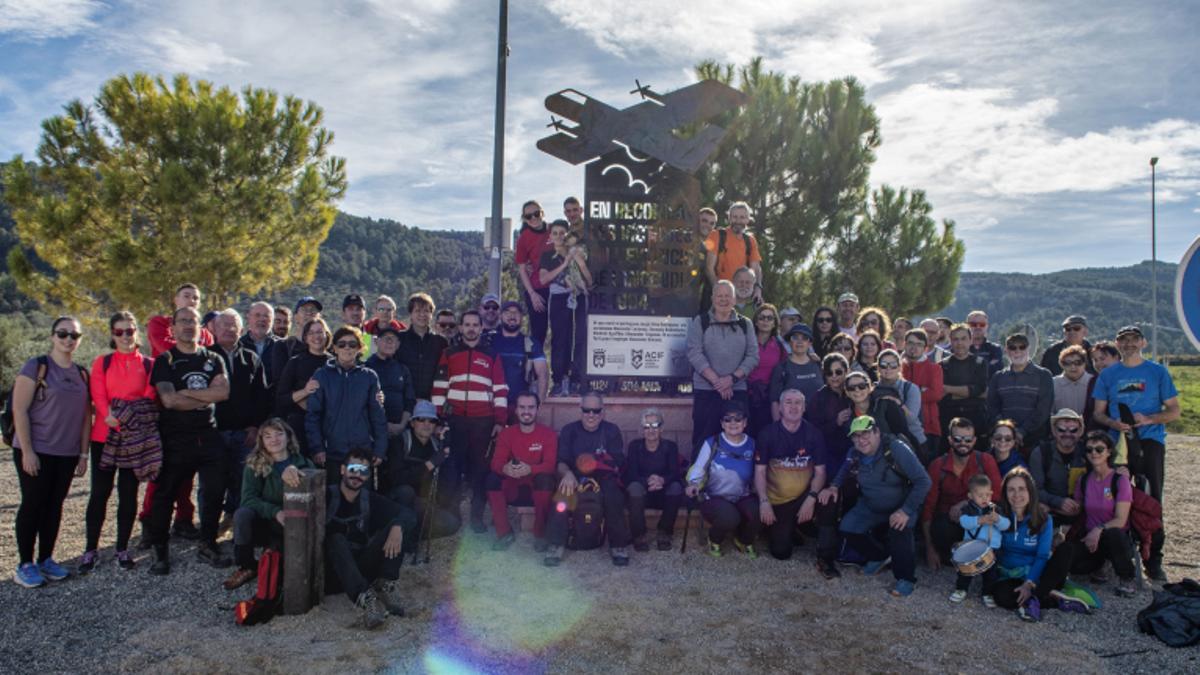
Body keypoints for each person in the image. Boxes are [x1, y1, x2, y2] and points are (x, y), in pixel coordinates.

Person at [148, 307, 231, 575]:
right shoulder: (165, 361)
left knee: (215, 491)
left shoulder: (214, 358)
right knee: (165, 494)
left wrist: (188, 393)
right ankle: (160, 549)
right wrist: (206, 394)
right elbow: (169, 401)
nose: (188, 326)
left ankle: (208, 543)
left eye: (193, 321)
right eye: (182, 321)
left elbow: (224, 393)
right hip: (175, 437)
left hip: (208, 434)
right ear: (172, 327)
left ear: (200, 327)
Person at [10, 317, 91, 588]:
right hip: (37, 449)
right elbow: (19, 410)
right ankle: (25, 564)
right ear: (52, 336)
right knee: (33, 504)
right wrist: (28, 451)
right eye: (63, 334)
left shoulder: (81, 373)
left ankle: (46, 558)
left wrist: (83, 454)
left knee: (55, 506)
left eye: (74, 335)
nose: (68, 339)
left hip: (66, 454)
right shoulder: (37, 366)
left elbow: (84, 417)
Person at [821, 416, 931, 597]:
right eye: (855, 436)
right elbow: (844, 470)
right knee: (848, 527)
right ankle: (879, 556)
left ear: (877, 432)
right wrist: (833, 487)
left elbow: (923, 481)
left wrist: (906, 510)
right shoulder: (854, 453)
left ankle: (906, 579)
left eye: (865, 433)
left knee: (900, 528)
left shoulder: (895, 449)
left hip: (903, 505)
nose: (861, 439)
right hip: (872, 505)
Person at [81, 312, 158, 573]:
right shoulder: (102, 363)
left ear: (136, 332)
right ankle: (90, 548)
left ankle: (122, 548)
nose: (125, 336)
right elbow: (97, 394)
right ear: (112, 335)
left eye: (130, 330)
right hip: (104, 436)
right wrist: (108, 415)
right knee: (100, 493)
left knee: (128, 495)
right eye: (119, 331)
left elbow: (149, 394)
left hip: (134, 437)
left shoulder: (148, 364)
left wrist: (125, 414)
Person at [432, 310, 508, 532]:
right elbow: (439, 387)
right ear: (461, 328)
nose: (471, 328)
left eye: (476, 324)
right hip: (455, 421)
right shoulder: (449, 353)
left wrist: (500, 421)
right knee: (453, 470)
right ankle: (453, 516)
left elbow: (500, 390)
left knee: (480, 471)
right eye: (467, 324)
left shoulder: (492, 355)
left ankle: (476, 517)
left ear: (481, 328)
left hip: (483, 422)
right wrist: (438, 418)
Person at [325, 448, 416, 629]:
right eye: (353, 469)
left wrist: (397, 527)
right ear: (342, 470)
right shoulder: (325, 495)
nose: (357, 475)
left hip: (362, 564)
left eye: (363, 471)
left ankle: (385, 584)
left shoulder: (369, 499)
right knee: (335, 539)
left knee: (399, 525)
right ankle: (367, 600)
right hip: (331, 571)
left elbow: (408, 514)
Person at [1092, 325, 1180, 504]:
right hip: (1118, 442)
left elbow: (1174, 410)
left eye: (1134, 339)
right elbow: (1098, 413)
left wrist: (1150, 419)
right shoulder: (1107, 375)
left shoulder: (1158, 372)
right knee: (1115, 495)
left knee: (1150, 495)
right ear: (1117, 344)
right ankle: (1119, 531)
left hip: (1150, 440)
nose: (1129, 344)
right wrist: (1113, 424)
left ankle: (1153, 532)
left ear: (1143, 343)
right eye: (1124, 340)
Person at [223, 418, 314, 590]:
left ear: (288, 437)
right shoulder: (254, 464)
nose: (274, 440)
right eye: (268, 436)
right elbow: (248, 499)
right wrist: (275, 511)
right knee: (242, 514)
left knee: (280, 574)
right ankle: (247, 565)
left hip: (292, 522)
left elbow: (313, 495)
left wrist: (296, 471)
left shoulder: (303, 462)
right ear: (262, 441)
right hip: (265, 520)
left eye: (279, 434)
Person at [755, 390, 839, 573]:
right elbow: (759, 472)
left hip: (804, 495)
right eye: (788, 402)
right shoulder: (767, 434)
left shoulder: (814, 434)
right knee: (781, 552)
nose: (793, 407)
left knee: (829, 499)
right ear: (780, 408)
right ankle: (792, 527)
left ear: (804, 407)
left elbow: (820, 471)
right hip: (779, 501)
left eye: (798, 403)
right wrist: (764, 502)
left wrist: (811, 498)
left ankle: (826, 555)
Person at [991, 468, 1091, 620]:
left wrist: (1029, 584)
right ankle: (1052, 599)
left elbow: (1042, 555)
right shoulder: (998, 516)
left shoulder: (1044, 519)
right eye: (1011, 489)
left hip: (1041, 576)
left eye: (1021, 489)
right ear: (1005, 493)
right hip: (1010, 575)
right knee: (1000, 596)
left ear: (1030, 492)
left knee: (1067, 549)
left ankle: (1036, 596)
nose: (1017, 495)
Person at [546, 393, 631, 566]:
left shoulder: (611, 430)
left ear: (602, 412)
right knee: (562, 495)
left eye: (596, 410)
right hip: (575, 475)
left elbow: (617, 462)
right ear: (580, 411)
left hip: (603, 475)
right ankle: (556, 544)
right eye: (587, 410)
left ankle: (618, 545)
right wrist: (567, 474)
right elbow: (561, 462)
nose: (591, 415)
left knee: (614, 496)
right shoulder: (569, 430)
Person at [211, 309, 270, 531]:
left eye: (233, 325)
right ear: (214, 330)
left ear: (241, 330)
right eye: (223, 325)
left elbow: (262, 397)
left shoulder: (251, 358)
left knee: (241, 479)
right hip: (214, 433)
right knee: (212, 483)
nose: (228, 329)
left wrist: (256, 427)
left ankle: (233, 520)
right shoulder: (205, 357)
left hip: (245, 433)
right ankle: (209, 526)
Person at [686, 280, 759, 455]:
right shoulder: (700, 321)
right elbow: (694, 352)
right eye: (719, 295)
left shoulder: (745, 324)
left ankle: (737, 480)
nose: (723, 299)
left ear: (734, 299)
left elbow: (753, 356)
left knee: (738, 439)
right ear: (712, 298)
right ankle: (697, 481)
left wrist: (731, 379)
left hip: (737, 390)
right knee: (703, 440)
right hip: (706, 391)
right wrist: (718, 382)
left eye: (728, 296)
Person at [306, 326, 388, 481]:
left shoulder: (369, 377)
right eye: (342, 344)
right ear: (334, 348)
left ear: (360, 348)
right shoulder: (322, 375)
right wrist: (317, 448)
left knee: (362, 499)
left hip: (361, 453)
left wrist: (379, 449)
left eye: (352, 344)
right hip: (331, 453)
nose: (347, 348)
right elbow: (313, 415)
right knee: (333, 499)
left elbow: (378, 415)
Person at [1062, 431, 1138, 597]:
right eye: (1089, 450)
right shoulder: (1084, 480)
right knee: (1072, 564)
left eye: (1099, 449)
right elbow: (1079, 508)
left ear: (1109, 452)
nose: (1094, 453)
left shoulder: (1119, 480)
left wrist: (1098, 529)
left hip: (1113, 537)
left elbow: (1121, 519)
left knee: (1114, 534)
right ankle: (1101, 564)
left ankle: (1126, 577)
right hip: (1089, 537)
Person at [921, 418, 1003, 570]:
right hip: (949, 523)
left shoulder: (985, 460)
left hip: (979, 518)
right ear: (950, 440)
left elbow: (997, 495)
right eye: (957, 439)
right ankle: (955, 556)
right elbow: (928, 508)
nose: (963, 443)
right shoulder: (937, 465)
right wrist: (929, 549)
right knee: (940, 528)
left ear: (974, 440)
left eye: (968, 439)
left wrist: (965, 503)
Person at [377, 400, 459, 545]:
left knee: (452, 524)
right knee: (406, 492)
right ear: (413, 423)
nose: (426, 424)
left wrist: (447, 449)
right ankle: (401, 533)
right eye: (421, 420)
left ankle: (411, 535)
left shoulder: (435, 446)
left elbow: (448, 483)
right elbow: (397, 479)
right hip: (397, 502)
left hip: (421, 503)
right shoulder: (400, 442)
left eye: (431, 421)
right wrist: (429, 464)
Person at [686, 400, 760, 559]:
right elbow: (699, 468)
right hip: (714, 496)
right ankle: (714, 539)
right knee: (730, 517)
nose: (733, 423)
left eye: (738, 419)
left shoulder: (753, 444)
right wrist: (693, 484)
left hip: (743, 495)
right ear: (722, 423)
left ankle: (743, 539)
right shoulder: (712, 443)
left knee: (759, 511)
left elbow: (760, 472)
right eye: (727, 419)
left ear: (745, 422)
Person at [487, 392, 557, 551]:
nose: (526, 412)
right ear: (516, 410)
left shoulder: (548, 434)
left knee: (546, 479)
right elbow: (496, 462)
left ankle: (540, 534)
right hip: (513, 488)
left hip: (536, 490)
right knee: (492, 479)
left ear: (537, 409)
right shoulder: (506, 433)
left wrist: (530, 469)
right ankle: (504, 533)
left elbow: (550, 465)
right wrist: (505, 468)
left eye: (531, 407)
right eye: (522, 407)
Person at [539, 219, 591, 397]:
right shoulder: (547, 256)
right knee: (560, 339)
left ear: (568, 235)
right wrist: (564, 263)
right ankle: (559, 380)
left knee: (579, 338)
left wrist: (578, 264)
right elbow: (543, 279)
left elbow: (588, 280)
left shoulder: (578, 252)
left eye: (563, 232)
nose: (559, 236)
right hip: (559, 299)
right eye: (555, 233)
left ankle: (576, 379)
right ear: (550, 236)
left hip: (578, 297)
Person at [624, 408, 684, 552]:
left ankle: (664, 532)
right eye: (647, 426)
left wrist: (662, 480)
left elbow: (675, 473)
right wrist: (648, 481)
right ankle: (639, 535)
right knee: (634, 487)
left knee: (676, 487)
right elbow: (631, 474)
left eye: (655, 425)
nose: (651, 430)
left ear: (662, 428)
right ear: (642, 429)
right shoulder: (634, 446)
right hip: (642, 494)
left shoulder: (670, 446)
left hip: (664, 493)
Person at [987, 333, 1054, 454]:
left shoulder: (1044, 375)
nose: (1017, 351)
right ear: (1006, 351)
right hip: (1004, 443)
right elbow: (993, 408)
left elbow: (1043, 410)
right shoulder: (997, 377)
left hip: (1036, 443)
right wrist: (1007, 432)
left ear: (1028, 349)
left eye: (1022, 347)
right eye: (1012, 348)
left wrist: (1022, 432)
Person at [949, 474, 1010, 606]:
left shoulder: (996, 509)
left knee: (991, 574)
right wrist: (979, 520)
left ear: (992, 493)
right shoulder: (968, 509)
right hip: (971, 547)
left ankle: (987, 593)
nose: (984, 498)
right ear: (970, 496)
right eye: (980, 495)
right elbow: (963, 522)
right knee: (966, 572)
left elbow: (1007, 525)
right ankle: (961, 589)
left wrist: (998, 520)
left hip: (991, 549)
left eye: (987, 495)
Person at [274, 318, 332, 456]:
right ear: (305, 338)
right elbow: (281, 399)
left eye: (319, 332)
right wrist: (305, 391)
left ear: (327, 335)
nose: (316, 336)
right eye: (311, 333)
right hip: (300, 426)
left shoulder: (334, 363)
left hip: (328, 426)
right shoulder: (295, 362)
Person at [1028, 409, 1088, 527]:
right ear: (1054, 431)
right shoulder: (1040, 453)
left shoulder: (1088, 451)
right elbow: (1034, 489)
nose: (1067, 434)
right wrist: (1058, 502)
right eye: (1061, 430)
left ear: (1080, 431)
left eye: (1073, 430)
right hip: (1050, 512)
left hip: (1083, 513)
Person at [490, 300, 549, 415]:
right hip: (492, 405)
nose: (512, 316)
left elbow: (543, 374)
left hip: (520, 408)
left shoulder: (531, 343)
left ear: (522, 317)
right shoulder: (489, 341)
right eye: (507, 312)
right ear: (500, 316)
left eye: (516, 313)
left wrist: (539, 405)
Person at [844, 370, 919, 455]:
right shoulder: (848, 418)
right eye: (851, 388)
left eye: (862, 386)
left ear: (870, 388)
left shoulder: (886, 405)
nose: (857, 390)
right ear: (847, 392)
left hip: (896, 457)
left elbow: (903, 434)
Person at [940, 323, 990, 445]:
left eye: (963, 338)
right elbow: (942, 396)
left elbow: (980, 390)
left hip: (976, 419)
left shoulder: (980, 363)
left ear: (970, 340)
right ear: (950, 341)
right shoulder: (942, 365)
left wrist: (949, 389)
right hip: (949, 419)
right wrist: (970, 392)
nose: (959, 343)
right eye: (955, 339)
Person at [705, 201, 764, 305]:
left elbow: (756, 268)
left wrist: (758, 288)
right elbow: (709, 268)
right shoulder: (716, 235)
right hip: (719, 295)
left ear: (748, 219)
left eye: (742, 217)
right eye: (735, 217)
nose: (738, 220)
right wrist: (720, 291)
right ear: (729, 218)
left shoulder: (750, 240)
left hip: (742, 296)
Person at [803, 353, 853, 476]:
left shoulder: (855, 391)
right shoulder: (818, 398)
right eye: (829, 373)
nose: (834, 376)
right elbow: (813, 432)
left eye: (838, 372)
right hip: (829, 452)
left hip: (856, 448)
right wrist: (836, 422)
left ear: (847, 371)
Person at [365, 326, 416, 443]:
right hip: (372, 432)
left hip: (399, 431)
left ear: (398, 344)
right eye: (385, 338)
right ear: (376, 342)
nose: (389, 342)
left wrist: (402, 425)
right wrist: (383, 425)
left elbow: (409, 400)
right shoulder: (366, 368)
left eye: (393, 339)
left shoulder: (403, 369)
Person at [398, 292, 449, 402]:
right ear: (410, 314)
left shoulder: (441, 342)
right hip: (404, 401)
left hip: (433, 402)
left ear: (431, 314)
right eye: (417, 311)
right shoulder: (399, 339)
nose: (422, 315)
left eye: (426, 311)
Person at [902, 329, 944, 458]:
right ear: (904, 344)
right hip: (902, 427)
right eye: (910, 343)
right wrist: (921, 390)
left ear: (925, 348)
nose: (914, 348)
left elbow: (936, 394)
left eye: (919, 344)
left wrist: (908, 396)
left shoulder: (934, 368)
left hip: (929, 428)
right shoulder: (896, 368)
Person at [514, 199, 552, 344]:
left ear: (542, 213)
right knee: (538, 333)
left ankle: (562, 367)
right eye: (528, 216)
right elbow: (522, 269)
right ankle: (536, 365)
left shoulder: (554, 229)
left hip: (559, 287)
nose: (534, 218)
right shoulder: (523, 238)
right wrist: (532, 294)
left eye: (536, 214)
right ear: (524, 219)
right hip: (538, 289)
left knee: (562, 332)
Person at [875, 348, 925, 455]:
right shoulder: (873, 389)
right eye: (884, 365)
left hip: (913, 441)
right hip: (883, 443)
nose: (888, 368)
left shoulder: (910, 388)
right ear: (878, 368)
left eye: (893, 365)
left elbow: (911, 418)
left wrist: (898, 403)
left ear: (899, 367)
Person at [769, 323, 824, 419]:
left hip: (819, 421)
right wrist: (778, 428)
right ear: (789, 342)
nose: (799, 341)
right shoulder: (781, 368)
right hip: (792, 423)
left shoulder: (818, 364)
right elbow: (775, 401)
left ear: (810, 343)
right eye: (795, 337)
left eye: (804, 338)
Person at [147, 283, 215, 358]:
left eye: (195, 298)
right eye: (186, 296)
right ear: (176, 300)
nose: (191, 301)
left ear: (199, 304)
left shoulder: (206, 334)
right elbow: (167, 349)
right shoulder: (160, 323)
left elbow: (211, 358)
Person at [747, 303, 786, 435]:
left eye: (770, 318)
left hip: (769, 398)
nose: (765, 321)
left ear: (775, 323)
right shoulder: (746, 341)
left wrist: (810, 356)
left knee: (766, 434)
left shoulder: (779, 345)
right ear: (756, 322)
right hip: (747, 396)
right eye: (762, 318)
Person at [268, 297, 323, 385]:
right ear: (296, 317)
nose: (309, 313)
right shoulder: (283, 347)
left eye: (313, 310)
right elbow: (279, 382)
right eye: (304, 310)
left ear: (319, 317)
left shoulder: (329, 348)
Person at [239, 301, 280, 386]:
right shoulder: (238, 346)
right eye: (257, 315)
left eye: (266, 316)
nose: (262, 319)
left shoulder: (282, 346)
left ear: (272, 320)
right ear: (249, 318)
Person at [1084, 340, 1121, 430]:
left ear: (1116, 357)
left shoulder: (1127, 379)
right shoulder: (1093, 381)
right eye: (1095, 360)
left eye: (1102, 358)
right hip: (1097, 434)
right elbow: (1088, 411)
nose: (1098, 363)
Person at [1053, 345, 1092, 416]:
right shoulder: (1053, 384)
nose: (1073, 367)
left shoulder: (1094, 382)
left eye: (1078, 362)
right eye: (1067, 363)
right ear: (1062, 365)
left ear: (1085, 363)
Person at [966, 310, 1004, 380]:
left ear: (987, 326)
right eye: (973, 324)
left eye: (982, 324)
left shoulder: (995, 349)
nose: (978, 327)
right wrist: (988, 364)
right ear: (967, 326)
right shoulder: (960, 348)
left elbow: (997, 372)